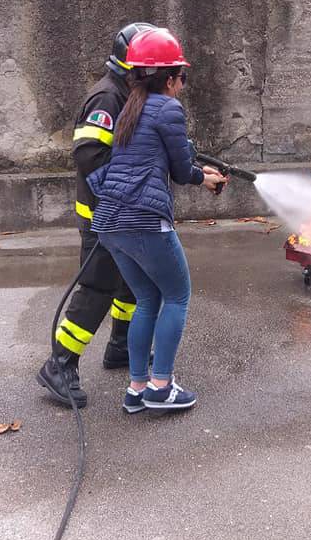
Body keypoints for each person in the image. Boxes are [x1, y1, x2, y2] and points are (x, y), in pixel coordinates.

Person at [87, 28, 227, 412]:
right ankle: (161, 386)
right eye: (182, 77)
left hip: (111, 222)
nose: (183, 84)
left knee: (148, 298)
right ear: (168, 78)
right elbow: (181, 171)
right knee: (178, 296)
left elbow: (154, 160)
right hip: (144, 219)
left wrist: (201, 173)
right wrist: (204, 178)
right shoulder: (167, 107)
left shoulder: (129, 106)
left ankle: (136, 389)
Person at [37, 22, 156, 409]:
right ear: (133, 66)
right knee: (98, 289)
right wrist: (124, 189)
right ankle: (59, 365)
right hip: (102, 215)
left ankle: (120, 346)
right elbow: (89, 155)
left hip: (123, 214)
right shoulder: (106, 98)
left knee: (130, 284)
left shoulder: (128, 94)